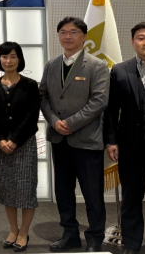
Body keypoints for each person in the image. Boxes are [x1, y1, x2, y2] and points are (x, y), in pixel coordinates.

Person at [39, 17, 109, 252]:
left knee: (92, 194)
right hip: (59, 139)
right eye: (63, 32)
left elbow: (99, 101)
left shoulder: (96, 65)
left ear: (84, 36)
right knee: (63, 192)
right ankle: (69, 234)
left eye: (74, 32)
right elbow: (43, 96)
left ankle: (95, 237)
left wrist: (70, 123)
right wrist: (54, 121)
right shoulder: (51, 65)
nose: (67, 36)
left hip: (87, 139)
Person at [105, 21, 145, 254]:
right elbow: (111, 110)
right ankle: (131, 246)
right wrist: (111, 140)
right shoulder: (120, 70)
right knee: (131, 202)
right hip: (130, 149)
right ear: (133, 42)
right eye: (141, 38)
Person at [0, 42, 40, 252]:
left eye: (13, 57)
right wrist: (0, 139)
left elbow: (32, 117)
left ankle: (24, 232)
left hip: (24, 144)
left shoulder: (30, 85)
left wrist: (15, 139)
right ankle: (12, 229)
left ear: (20, 59)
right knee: (7, 188)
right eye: (4, 57)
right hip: (1, 145)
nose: (8, 61)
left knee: (26, 190)